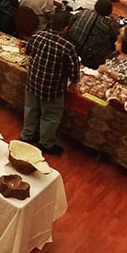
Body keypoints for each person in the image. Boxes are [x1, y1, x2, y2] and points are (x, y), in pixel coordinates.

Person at [21, 11, 80, 155]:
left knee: (31, 109)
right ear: (66, 28)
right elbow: (74, 71)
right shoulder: (68, 47)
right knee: (51, 116)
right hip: (52, 89)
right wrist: (74, 83)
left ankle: (27, 135)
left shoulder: (37, 36)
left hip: (33, 81)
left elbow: (27, 51)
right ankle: (46, 143)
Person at [67, 0, 120, 69]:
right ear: (109, 12)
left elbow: (70, 23)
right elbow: (115, 38)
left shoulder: (83, 13)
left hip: (71, 48)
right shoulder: (109, 24)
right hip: (92, 58)